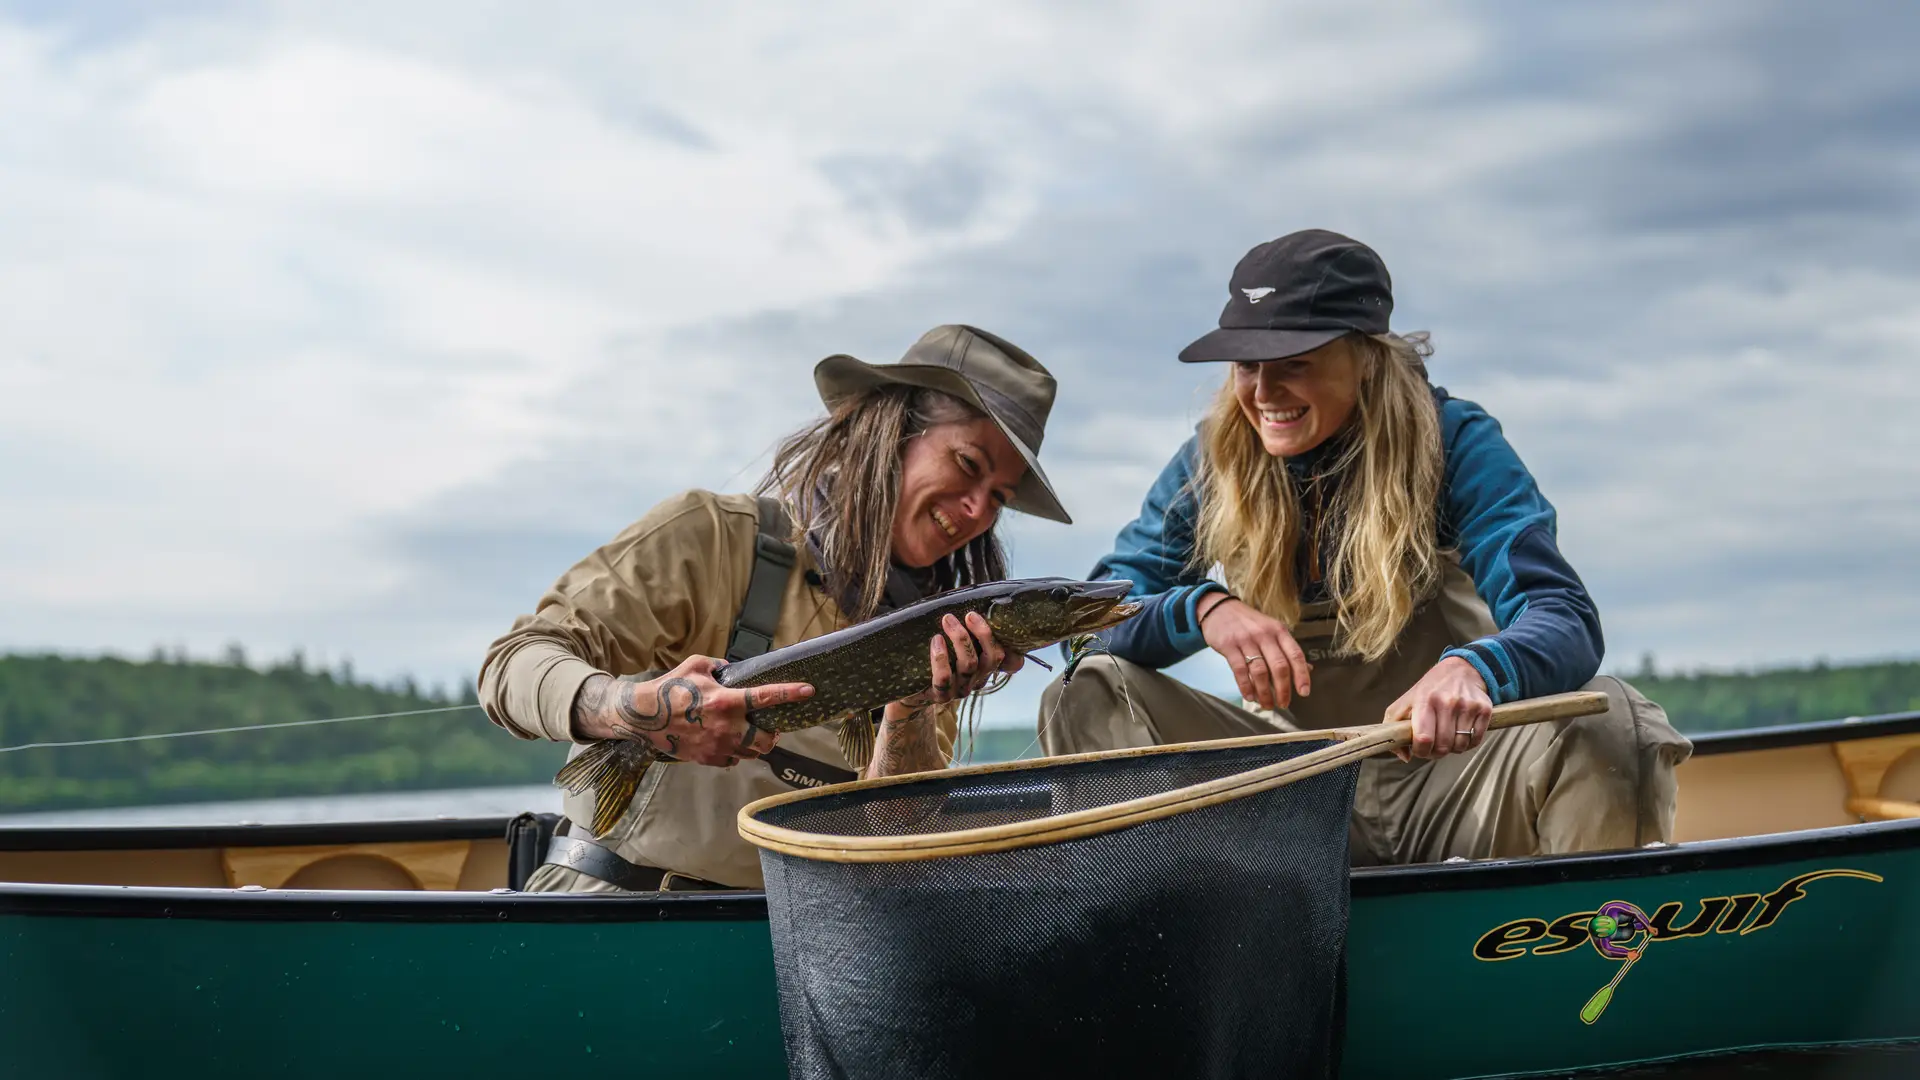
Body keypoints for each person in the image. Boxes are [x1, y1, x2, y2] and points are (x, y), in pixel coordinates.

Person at [1038, 230, 1693, 865]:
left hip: (1455, 780)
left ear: (1367, 357)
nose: (1263, 394)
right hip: (1300, 787)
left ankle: (1587, 968)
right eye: (1247, 365)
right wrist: (1201, 609)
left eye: (1294, 363)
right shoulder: (1210, 462)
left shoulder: (1456, 442)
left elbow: (1564, 616)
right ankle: (1151, 955)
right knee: (1085, 691)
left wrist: (1479, 669)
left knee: (1616, 721)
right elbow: (1082, 636)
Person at [480, 324, 1073, 892]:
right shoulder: (712, 536)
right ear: (891, 431)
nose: (976, 511)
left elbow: (894, 848)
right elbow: (512, 664)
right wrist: (626, 710)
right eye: (968, 464)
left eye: (998, 497)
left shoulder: (943, 638)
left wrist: (912, 708)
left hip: (786, 944)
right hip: (607, 909)